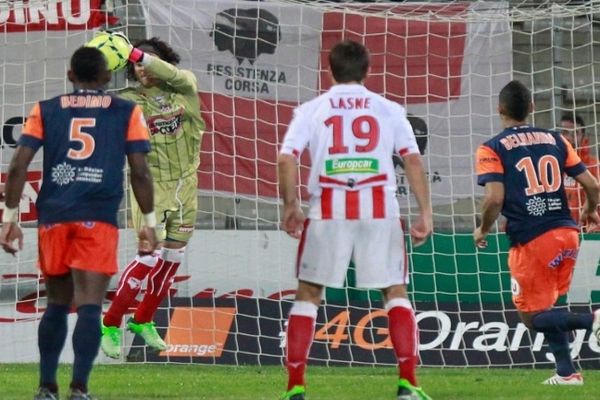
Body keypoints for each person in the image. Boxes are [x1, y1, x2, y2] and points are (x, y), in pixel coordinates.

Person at [278, 40, 433, 400]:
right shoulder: (391, 109)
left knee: (309, 294)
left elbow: (286, 159)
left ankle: (295, 388)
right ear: (367, 70)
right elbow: (412, 160)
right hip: (380, 209)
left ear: (330, 70)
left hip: (328, 208)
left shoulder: (311, 109)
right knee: (394, 291)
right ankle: (408, 384)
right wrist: (425, 212)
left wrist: (290, 206)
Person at [0, 47, 157, 400]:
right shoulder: (127, 112)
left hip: (53, 217)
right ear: (106, 79)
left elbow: (17, 166)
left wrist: (9, 219)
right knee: (89, 303)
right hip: (98, 217)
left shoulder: (46, 110)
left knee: (56, 302)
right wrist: (148, 222)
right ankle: (79, 389)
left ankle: (46, 387)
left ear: (70, 76)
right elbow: (140, 171)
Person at [474, 80, 600, 386]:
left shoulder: (491, 147)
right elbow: (592, 185)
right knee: (547, 307)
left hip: (532, 239)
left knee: (531, 316)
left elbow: (494, 198)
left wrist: (482, 227)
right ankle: (566, 372)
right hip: (567, 234)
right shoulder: (557, 139)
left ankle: (593, 320)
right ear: (532, 108)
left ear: (499, 109)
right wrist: (589, 209)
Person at [100, 34, 205, 358]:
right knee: (149, 256)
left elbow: (174, 75)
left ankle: (143, 319)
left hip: (187, 184)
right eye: (136, 64)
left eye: (148, 61)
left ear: (163, 61)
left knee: (173, 257)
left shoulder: (185, 86)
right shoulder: (129, 100)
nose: (142, 68)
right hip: (152, 186)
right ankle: (111, 322)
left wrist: (135, 52)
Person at [560, 113, 600, 231]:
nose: (568, 137)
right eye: (564, 132)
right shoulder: (552, 165)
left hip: (587, 234)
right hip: (559, 234)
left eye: (574, 133)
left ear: (583, 136)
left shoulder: (594, 166)